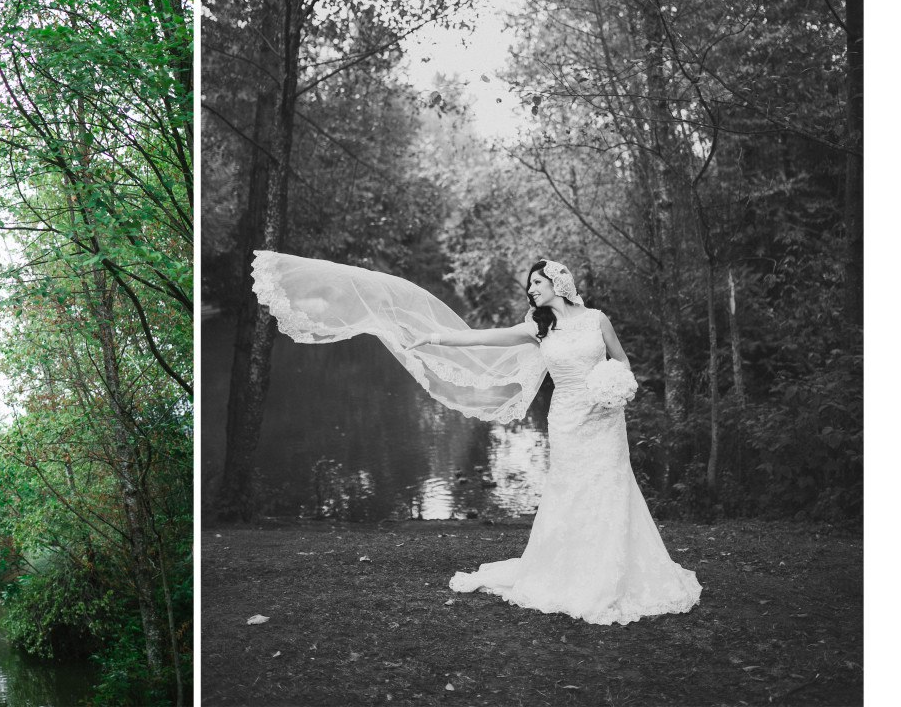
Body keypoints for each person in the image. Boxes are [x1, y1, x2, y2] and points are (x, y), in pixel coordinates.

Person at [252, 251, 700, 625]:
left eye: (537, 283)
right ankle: (571, 571)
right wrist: (432, 338)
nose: (532, 290)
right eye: (530, 286)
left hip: (605, 418)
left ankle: (619, 571)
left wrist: (615, 386)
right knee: (572, 492)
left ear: (558, 282)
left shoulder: (598, 319)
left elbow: (623, 363)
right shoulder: (537, 327)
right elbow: (479, 340)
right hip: (566, 420)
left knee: (611, 488)